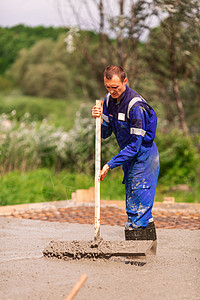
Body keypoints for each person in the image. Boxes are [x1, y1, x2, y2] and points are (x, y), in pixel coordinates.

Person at [92, 65, 160, 240]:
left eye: (116, 87)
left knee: (136, 211)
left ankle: (135, 260)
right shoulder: (108, 101)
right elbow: (106, 133)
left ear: (125, 81)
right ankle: (148, 257)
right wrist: (98, 119)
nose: (112, 91)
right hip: (129, 158)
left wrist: (109, 164)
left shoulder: (135, 106)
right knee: (139, 209)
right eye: (108, 87)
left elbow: (135, 146)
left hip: (143, 157)